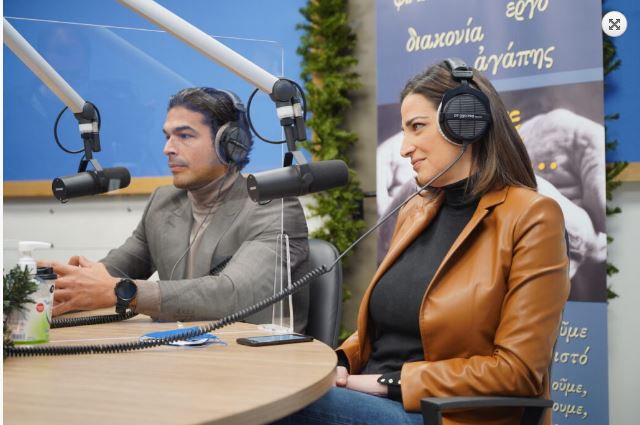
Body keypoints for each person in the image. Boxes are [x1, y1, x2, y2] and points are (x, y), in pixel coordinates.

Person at [275, 59, 569, 425]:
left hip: (444, 414)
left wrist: (386, 383)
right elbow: (381, 333)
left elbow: (518, 372)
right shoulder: (415, 210)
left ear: (466, 123)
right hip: (369, 396)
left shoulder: (532, 216)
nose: (404, 148)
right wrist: (337, 363)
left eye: (417, 127)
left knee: (281, 405)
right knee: (270, 386)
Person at [42, 87, 310, 331]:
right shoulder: (164, 201)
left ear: (230, 144)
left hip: (257, 358)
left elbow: (232, 294)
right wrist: (72, 282)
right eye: (167, 136)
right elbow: (117, 269)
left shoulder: (274, 206)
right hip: (183, 354)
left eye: (184, 136)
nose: (167, 149)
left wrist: (121, 292)